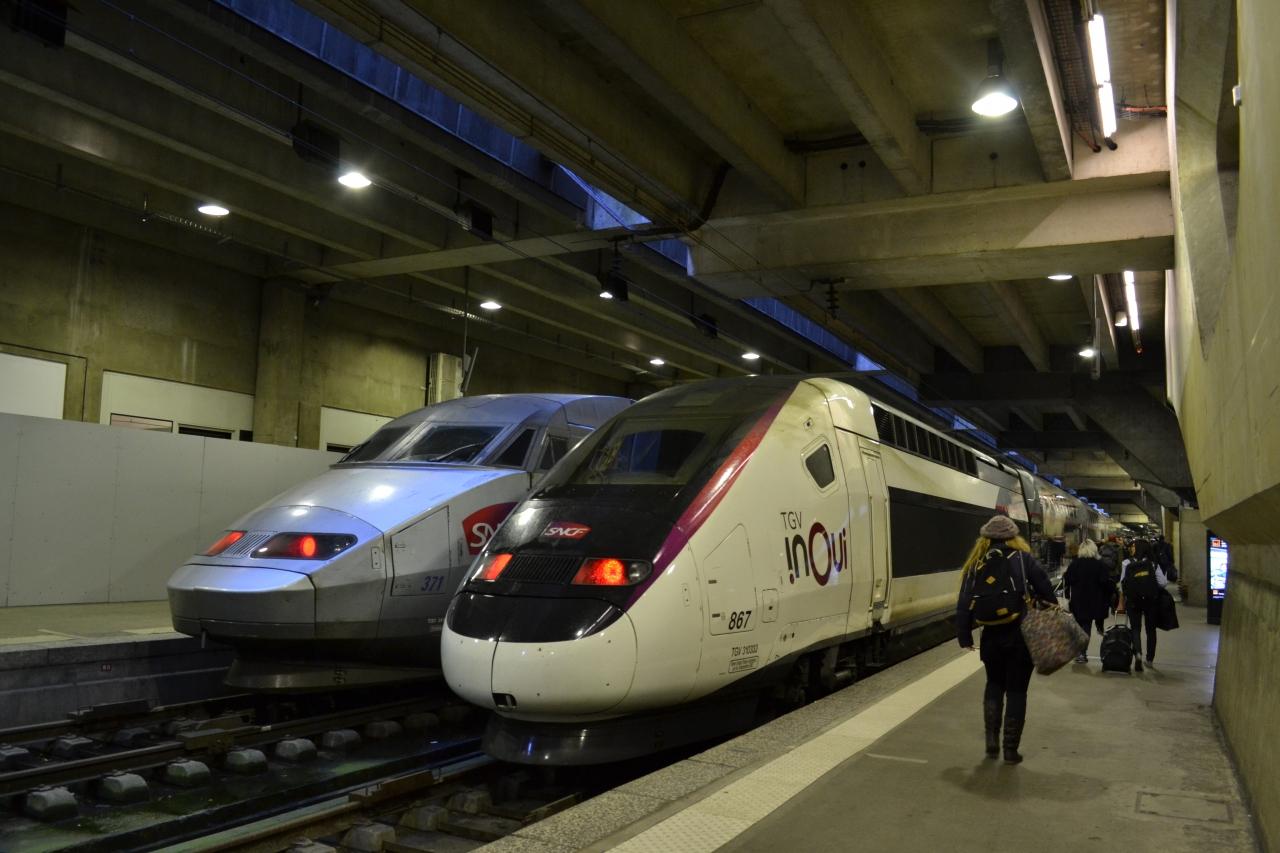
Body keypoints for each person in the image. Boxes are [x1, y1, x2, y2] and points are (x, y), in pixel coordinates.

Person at [956, 514, 1057, 764]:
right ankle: (1010, 750)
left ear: (985, 539)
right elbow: (1046, 590)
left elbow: (964, 603)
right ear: (1013, 537)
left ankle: (991, 742)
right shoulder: (1023, 560)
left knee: (994, 685)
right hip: (1020, 636)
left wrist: (964, 635)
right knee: (1016, 691)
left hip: (990, 636)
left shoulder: (976, 563)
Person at [1063, 539, 1113, 663]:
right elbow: (1105, 582)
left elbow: (1068, 580)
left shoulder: (1075, 564)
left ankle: (1080, 652)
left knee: (1079, 625)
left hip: (1078, 601)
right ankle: (1082, 653)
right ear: (1094, 550)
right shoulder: (1099, 565)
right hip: (1094, 601)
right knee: (1086, 626)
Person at [1120, 540, 1163, 671]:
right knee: (1151, 629)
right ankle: (1149, 659)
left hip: (1133, 600)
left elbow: (1123, 583)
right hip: (1150, 601)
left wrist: (1122, 600)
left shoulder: (1126, 563)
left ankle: (1138, 653)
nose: (1131, 548)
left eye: (1133, 546)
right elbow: (1163, 582)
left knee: (1135, 628)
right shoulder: (1153, 563)